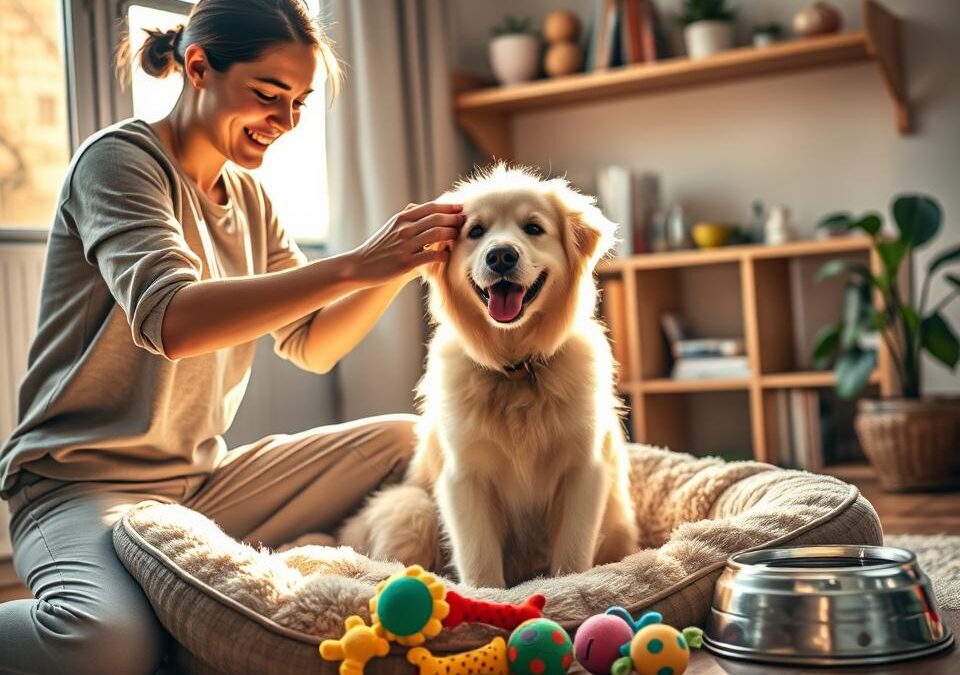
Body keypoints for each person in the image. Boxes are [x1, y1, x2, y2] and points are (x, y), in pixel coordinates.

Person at [0, 2, 463, 673]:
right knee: (107, 645)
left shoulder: (249, 198)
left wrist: (400, 267)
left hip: (199, 486)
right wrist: (358, 261)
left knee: (404, 439)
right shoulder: (120, 162)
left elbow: (313, 341)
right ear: (197, 67)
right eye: (269, 95)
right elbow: (174, 320)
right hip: (79, 484)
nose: (286, 122)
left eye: (300, 103)